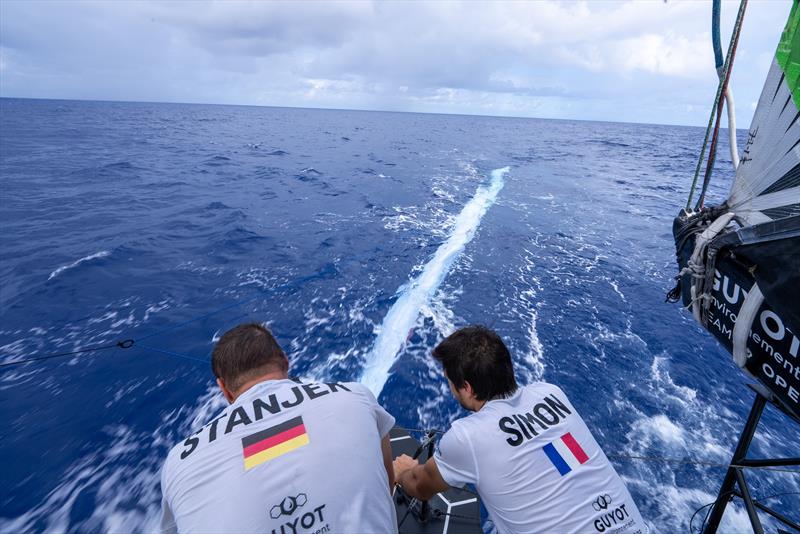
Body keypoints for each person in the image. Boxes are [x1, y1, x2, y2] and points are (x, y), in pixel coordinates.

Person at [393, 325, 647, 534]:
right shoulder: (551, 393)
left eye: (450, 382)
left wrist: (404, 472)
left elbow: (420, 486)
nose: (450, 388)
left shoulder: (467, 436)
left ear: (467, 388)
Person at [160, 322, 398, 534]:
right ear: (285, 361)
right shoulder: (354, 395)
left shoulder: (178, 461)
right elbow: (388, 481)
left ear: (223, 388)